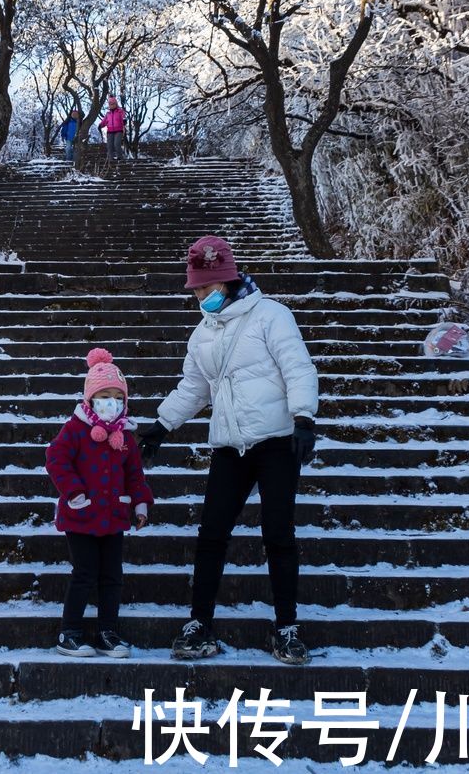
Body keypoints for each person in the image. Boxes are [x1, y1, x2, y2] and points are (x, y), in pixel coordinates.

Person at [136, 235, 319, 666]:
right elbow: (194, 387)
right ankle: (199, 624)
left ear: (230, 281)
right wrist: (162, 424)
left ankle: (287, 627)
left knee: (278, 534)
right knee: (211, 534)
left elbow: (297, 366)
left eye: (207, 287)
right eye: (196, 289)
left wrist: (304, 418)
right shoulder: (203, 334)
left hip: (276, 441)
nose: (201, 296)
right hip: (229, 445)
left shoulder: (272, 316)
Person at [45, 347, 154, 657]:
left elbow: (135, 474)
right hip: (81, 516)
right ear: (90, 398)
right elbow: (56, 458)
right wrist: (73, 491)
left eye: (118, 397)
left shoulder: (125, 437)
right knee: (84, 572)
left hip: (114, 516)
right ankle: (70, 632)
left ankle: (108, 631)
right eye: (105, 395)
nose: (112, 403)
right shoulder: (76, 429)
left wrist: (140, 504)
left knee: (112, 576)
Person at [97, 97, 126, 169]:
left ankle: (120, 158)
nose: (111, 105)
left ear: (116, 104)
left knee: (117, 144)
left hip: (118, 130)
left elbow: (123, 118)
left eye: (113, 104)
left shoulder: (120, 111)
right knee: (109, 146)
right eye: (110, 104)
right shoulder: (108, 114)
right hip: (110, 131)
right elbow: (104, 121)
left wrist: (124, 120)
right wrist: (100, 125)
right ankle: (111, 160)